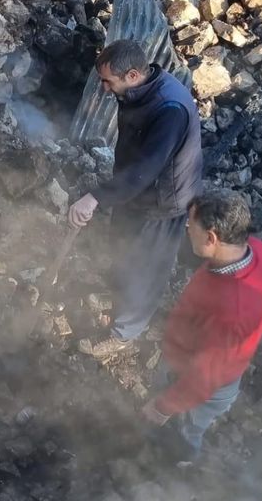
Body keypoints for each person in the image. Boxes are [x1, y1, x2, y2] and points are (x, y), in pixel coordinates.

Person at [71, 39, 203, 357]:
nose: (103, 88)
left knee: (143, 271)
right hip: (135, 191)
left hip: (163, 202)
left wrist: (96, 196)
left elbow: (146, 170)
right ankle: (117, 297)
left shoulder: (169, 110)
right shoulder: (138, 89)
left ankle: (125, 332)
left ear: (132, 75)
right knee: (122, 248)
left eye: (107, 82)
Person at [140, 190, 262, 460]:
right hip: (199, 359)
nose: (187, 230)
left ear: (211, 237)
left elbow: (204, 379)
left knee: (191, 426)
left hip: (209, 381)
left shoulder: (232, 313)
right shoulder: (261, 253)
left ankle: (182, 462)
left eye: (191, 226)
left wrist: (162, 407)